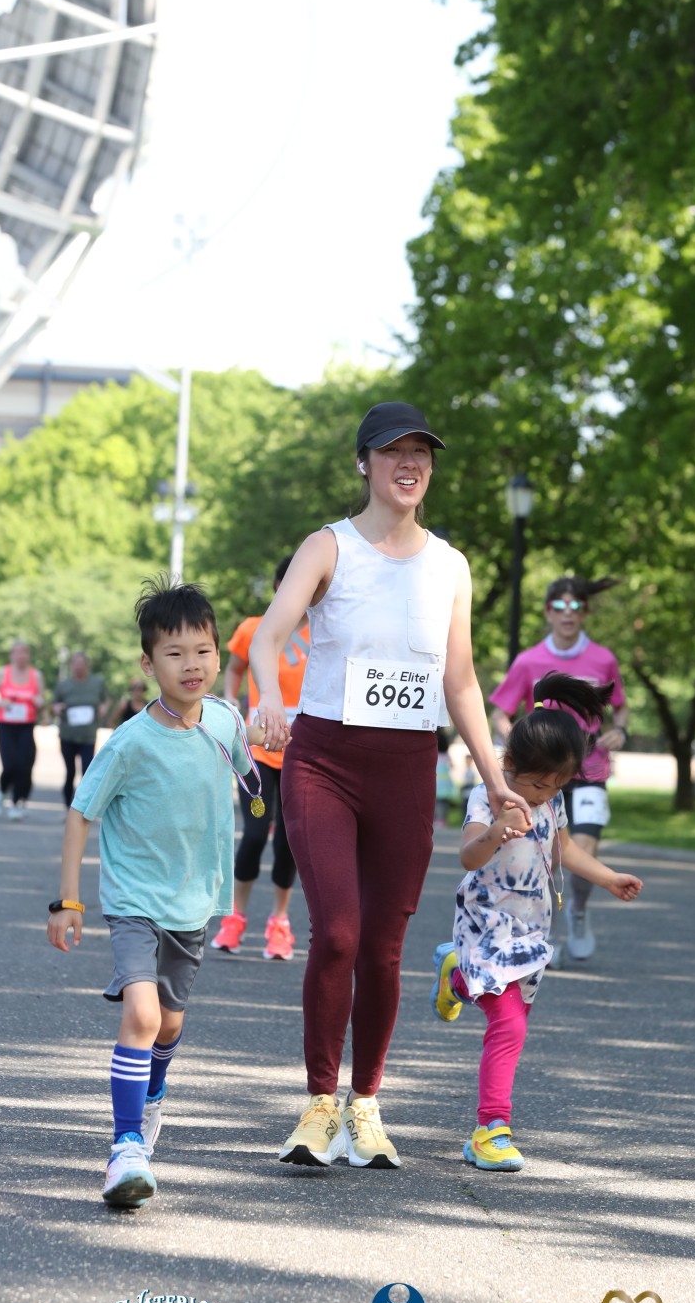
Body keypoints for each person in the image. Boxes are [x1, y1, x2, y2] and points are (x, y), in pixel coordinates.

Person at [249, 400, 531, 1171]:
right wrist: (269, 695)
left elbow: (460, 681)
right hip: (324, 762)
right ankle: (318, 1104)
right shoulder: (328, 547)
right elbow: (269, 636)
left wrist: (496, 781)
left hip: (407, 769)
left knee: (382, 946)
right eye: (392, 451)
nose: (409, 464)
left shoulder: (450, 566)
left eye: (421, 453)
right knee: (338, 930)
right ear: (363, 463)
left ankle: (365, 1105)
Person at [47, 575, 266, 1208]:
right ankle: (124, 1148)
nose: (191, 664)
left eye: (202, 651)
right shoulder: (130, 742)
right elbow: (79, 815)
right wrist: (68, 902)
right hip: (134, 902)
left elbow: (250, 765)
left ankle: (152, 1097)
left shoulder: (224, 721)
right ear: (149, 665)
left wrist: (276, 742)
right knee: (142, 1016)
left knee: (168, 1023)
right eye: (174, 653)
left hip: (193, 902)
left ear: (218, 656)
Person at [431, 672, 643, 1172]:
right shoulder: (487, 796)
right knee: (509, 1025)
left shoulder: (552, 802)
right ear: (508, 763)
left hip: (529, 931)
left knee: (508, 1016)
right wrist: (498, 831)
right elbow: (468, 856)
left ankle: (457, 975)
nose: (545, 794)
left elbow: (563, 849)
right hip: (485, 924)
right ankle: (491, 1129)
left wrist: (609, 878)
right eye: (538, 784)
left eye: (557, 785)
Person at [490, 575, 628, 965]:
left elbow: (620, 707)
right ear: (548, 612)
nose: (568, 613)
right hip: (542, 774)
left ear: (585, 612)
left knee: (582, 848)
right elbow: (500, 712)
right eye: (560, 606)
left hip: (590, 771)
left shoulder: (603, 659)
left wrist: (620, 730)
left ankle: (578, 911)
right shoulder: (528, 661)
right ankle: (543, 929)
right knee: (548, 853)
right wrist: (518, 739)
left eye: (576, 606)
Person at [210, 555, 308, 962]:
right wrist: (232, 699)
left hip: (302, 755)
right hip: (256, 753)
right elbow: (234, 668)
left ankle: (279, 923)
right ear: (278, 587)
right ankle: (235, 917)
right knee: (253, 835)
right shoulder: (254, 628)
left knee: (288, 842)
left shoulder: (323, 634)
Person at [0, 640, 45, 820]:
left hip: (26, 726)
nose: (21, 655)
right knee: (10, 764)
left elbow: (42, 700)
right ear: (12, 655)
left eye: (24, 652)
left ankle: (17, 802)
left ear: (28, 655)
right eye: (17, 652)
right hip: (6, 725)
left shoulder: (36, 675)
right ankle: (1, 792)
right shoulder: (2, 673)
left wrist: (39, 702)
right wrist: (0, 702)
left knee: (25, 765)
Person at [51, 651, 111, 811]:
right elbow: (54, 704)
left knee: (87, 772)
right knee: (70, 772)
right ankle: (67, 807)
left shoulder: (97, 683)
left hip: (88, 736)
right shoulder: (63, 685)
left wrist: (104, 707)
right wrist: (56, 708)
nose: (79, 667)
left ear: (87, 665)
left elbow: (106, 699)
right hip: (67, 735)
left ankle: (83, 808)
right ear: (72, 665)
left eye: (81, 664)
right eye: (76, 664)